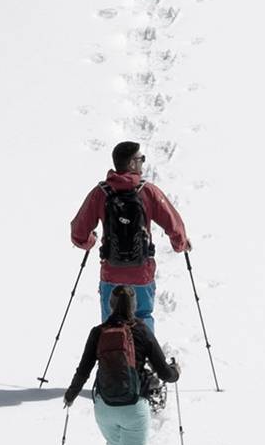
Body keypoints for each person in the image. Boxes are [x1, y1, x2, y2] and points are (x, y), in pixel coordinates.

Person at [60, 285, 180, 445]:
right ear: (135, 306)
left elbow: (83, 370)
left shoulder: (99, 332)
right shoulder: (142, 331)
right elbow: (164, 373)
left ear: (111, 305)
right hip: (134, 407)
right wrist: (175, 371)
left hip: (105, 407)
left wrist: (71, 395)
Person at [69, 141, 191, 335]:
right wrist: (181, 244)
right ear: (132, 164)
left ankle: (112, 360)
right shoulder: (148, 191)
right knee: (142, 317)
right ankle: (143, 360)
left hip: (111, 272)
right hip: (141, 272)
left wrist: (90, 240)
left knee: (111, 323)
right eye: (141, 159)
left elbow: (78, 233)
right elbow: (173, 223)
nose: (142, 163)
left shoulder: (100, 193)